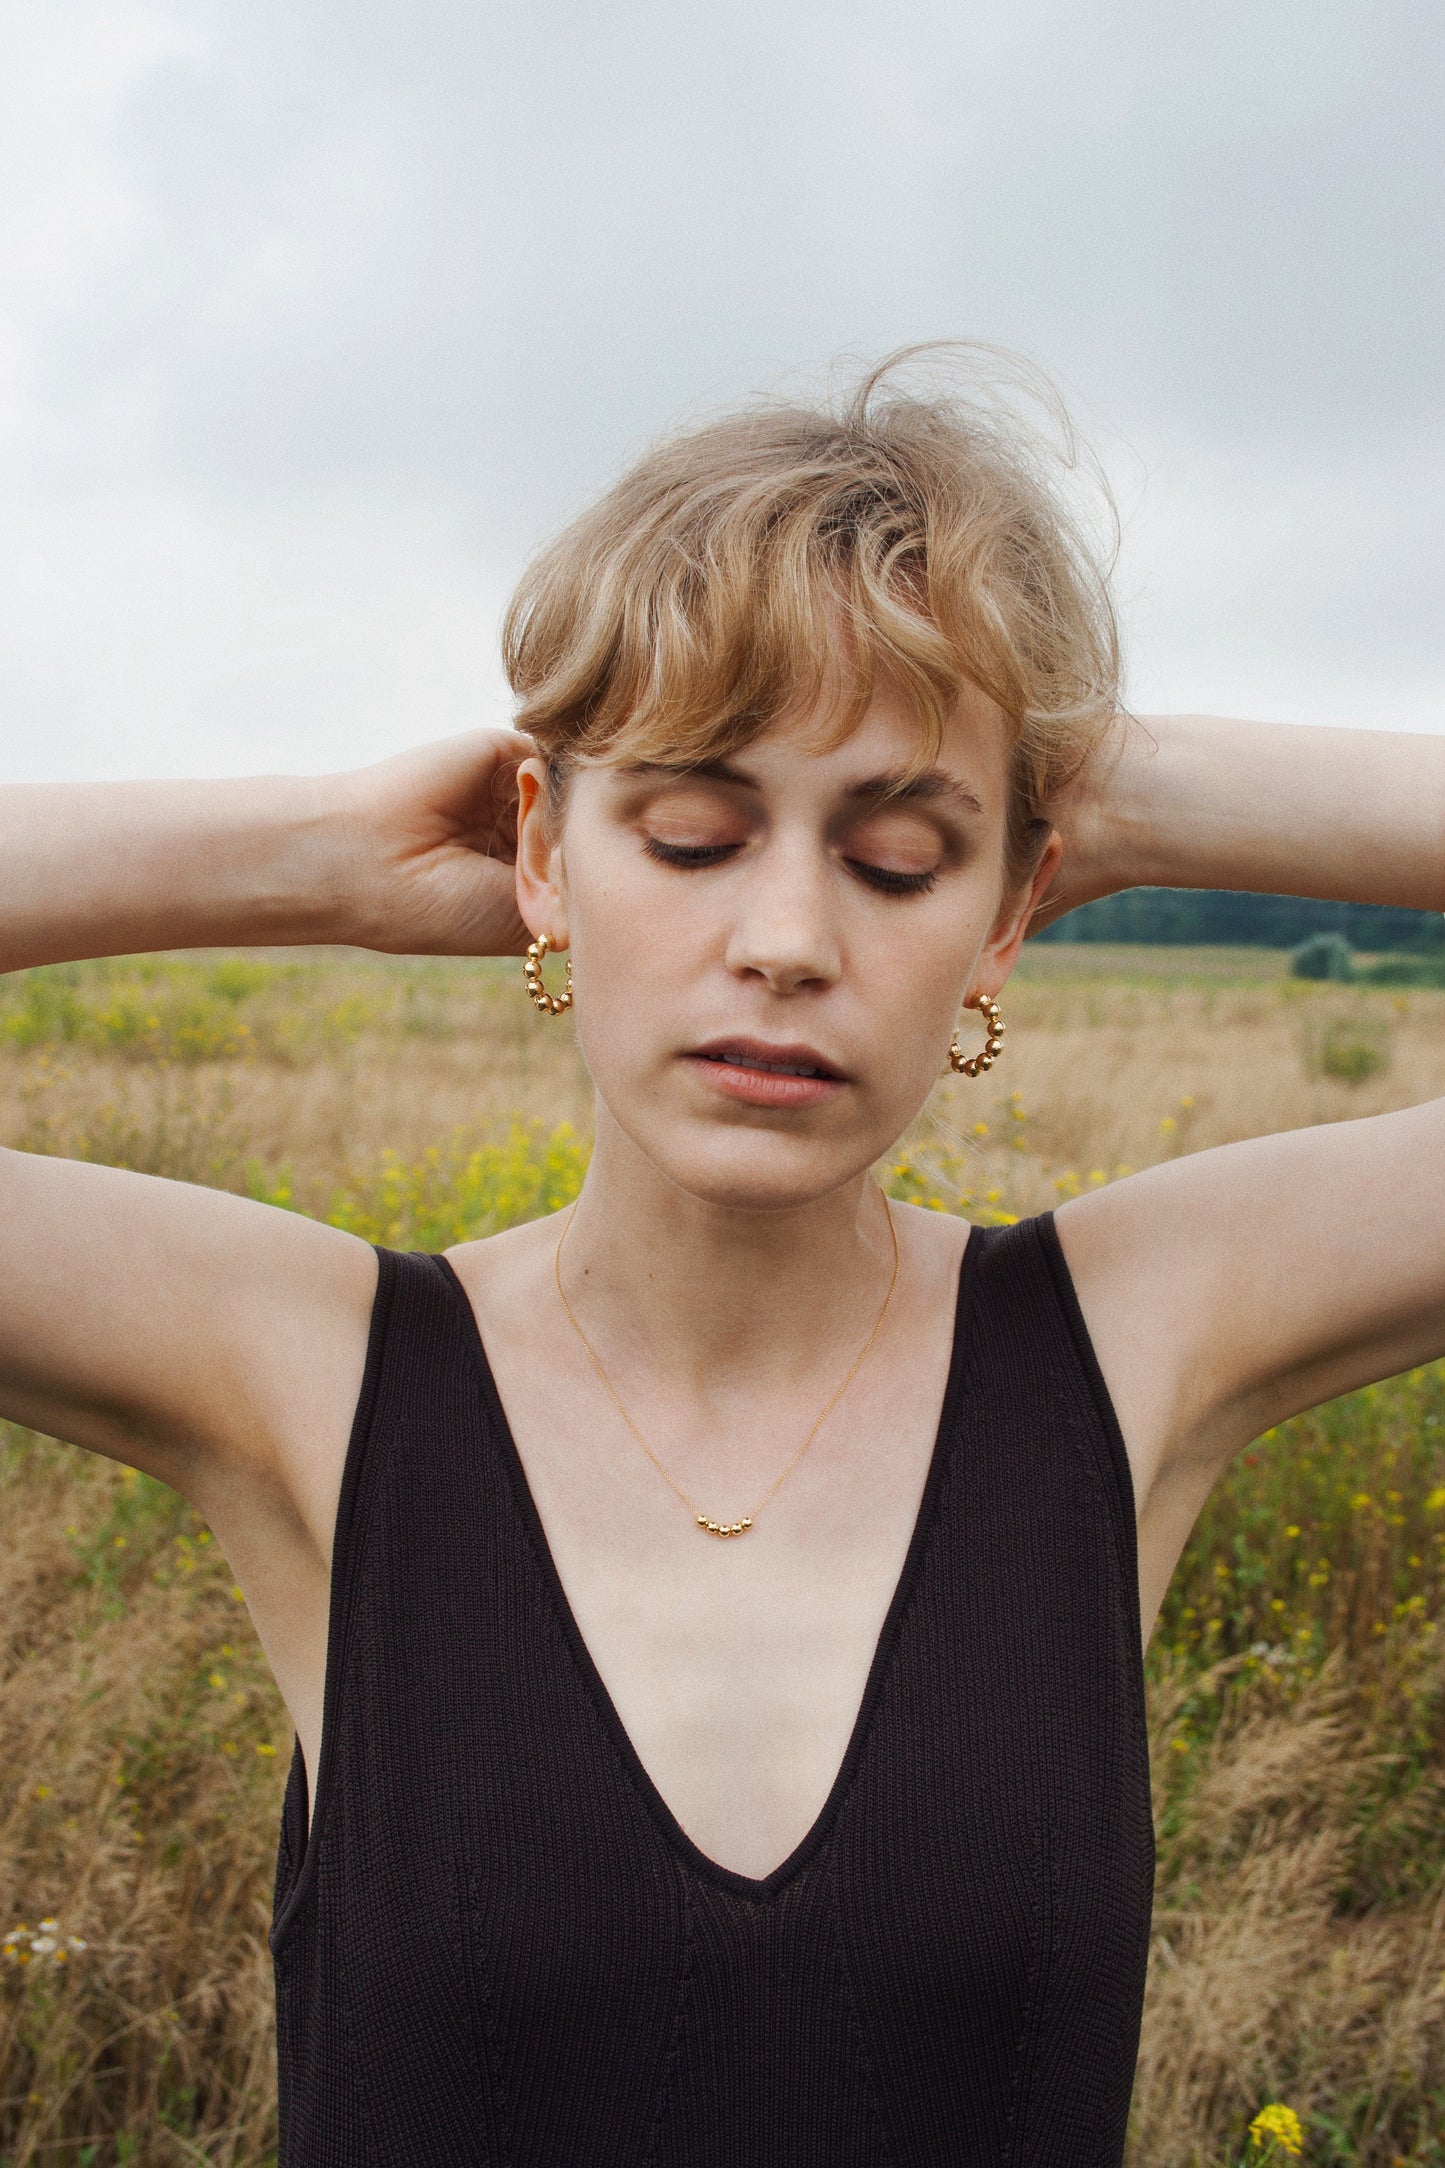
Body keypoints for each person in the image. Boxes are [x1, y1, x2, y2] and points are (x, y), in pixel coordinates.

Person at [1, 350, 1441, 2168]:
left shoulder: (1136, 1338)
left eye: (901, 860)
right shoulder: (304, 1368)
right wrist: (313, 854)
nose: (782, 938)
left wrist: (1129, 780)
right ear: (542, 851)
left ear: (1013, 913)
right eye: (688, 832)